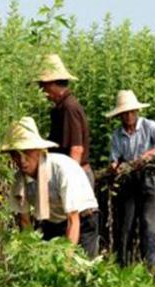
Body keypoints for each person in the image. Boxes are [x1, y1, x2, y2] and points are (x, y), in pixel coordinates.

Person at [2, 116, 100, 257]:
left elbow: (74, 220)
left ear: (39, 151)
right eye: (16, 155)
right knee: (48, 264)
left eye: (27, 153)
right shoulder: (20, 180)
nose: (22, 160)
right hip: (54, 221)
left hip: (83, 219)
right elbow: (24, 220)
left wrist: (67, 260)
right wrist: (30, 254)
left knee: (81, 266)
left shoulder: (61, 169)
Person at [106, 89, 155, 267]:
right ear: (119, 115)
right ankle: (123, 266)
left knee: (149, 224)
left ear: (137, 111)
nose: (128, 116)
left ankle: (149, 267)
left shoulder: (149, 126)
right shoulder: (117, 135)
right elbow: (115, 159)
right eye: (124, 113)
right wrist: (115, 167)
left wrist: (147, 155)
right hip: (129, 181)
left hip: (150, 178)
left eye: (131, 112)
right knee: (126, 225)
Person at [36, 54, 94, 188]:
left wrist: (71, 180)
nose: (42, 90)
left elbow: (76, 149)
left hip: (76, 174)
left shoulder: (69, 108)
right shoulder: (61, 107)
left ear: (52, 83)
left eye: (43, 85)